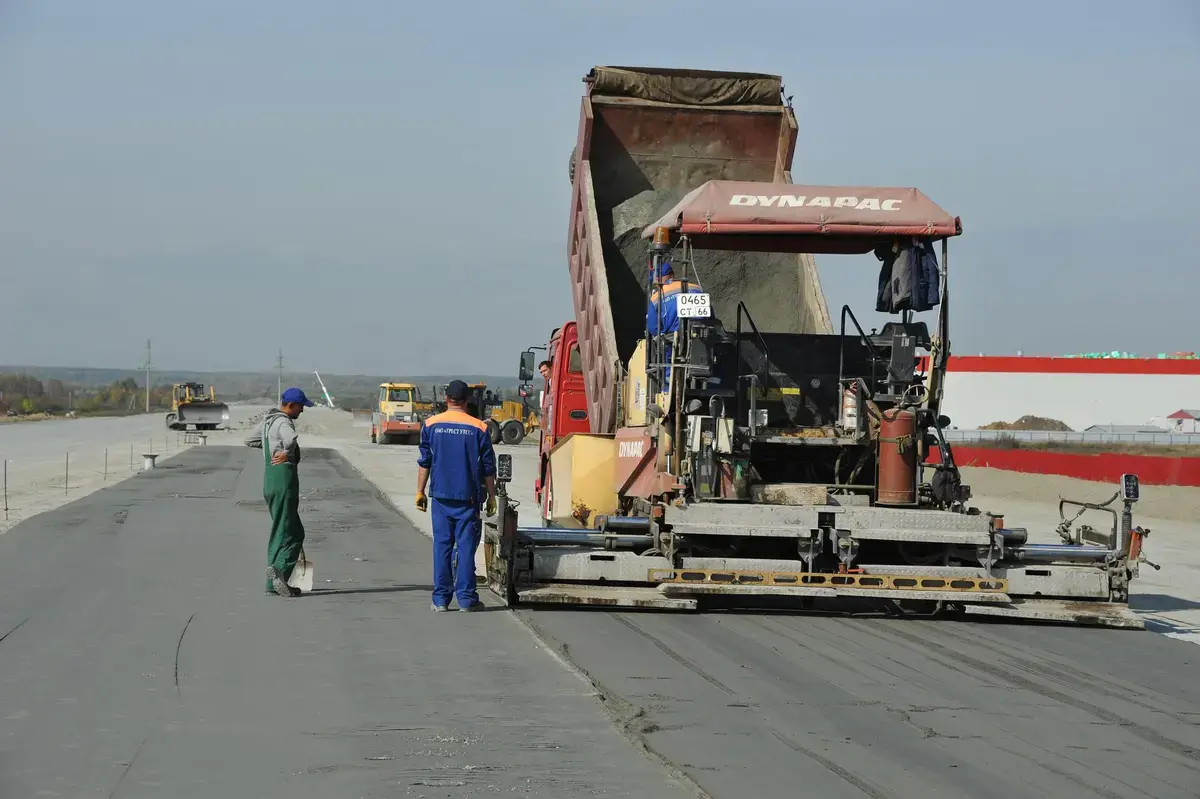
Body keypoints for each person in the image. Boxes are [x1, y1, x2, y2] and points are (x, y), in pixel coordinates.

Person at [415, 379, 497, 612]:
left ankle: (440, 600)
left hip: (440, 496)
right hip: (469, 497)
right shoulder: (479, 428)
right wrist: (491, 497)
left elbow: (425, 462)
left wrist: (420, 491)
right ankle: (467, 600)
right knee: (466, 547)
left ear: (446, 398)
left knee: (442, 547)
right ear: (467, 400)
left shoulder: (430, 425)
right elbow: (488, 468)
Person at [245, 387, 315, 597]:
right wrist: (284, 453)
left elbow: (249, 440)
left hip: (270, 479)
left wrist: (272, 449)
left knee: (283, 528)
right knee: (291, 533)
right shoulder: (284, 421)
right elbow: (291, 439)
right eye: (301, 406)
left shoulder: (268, 420)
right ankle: (278, 572)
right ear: (291, 405)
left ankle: (273, 581)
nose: (302, 411)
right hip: (283, 479)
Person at [646, 260, 703, 382]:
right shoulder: (696, 288)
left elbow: (653, 327)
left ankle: (667, 382)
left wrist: (660, 335)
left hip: (673, 345)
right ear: (672, 275)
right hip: (701, 341)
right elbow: (710, 315)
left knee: (663, 347)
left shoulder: (656, 297)